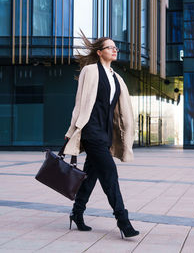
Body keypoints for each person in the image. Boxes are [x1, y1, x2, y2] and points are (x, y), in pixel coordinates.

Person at [63, 32, 139, 239]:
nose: (114, 50)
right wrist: (72, 130)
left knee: (89, 177)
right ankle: (123, 221)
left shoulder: (116, 78)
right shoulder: (90, 71)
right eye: (109, 47)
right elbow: (80, 103)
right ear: (99, 52)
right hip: (91, 132)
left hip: (105, 135)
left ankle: (77, 213)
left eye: (115, 47)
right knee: (110, 174)